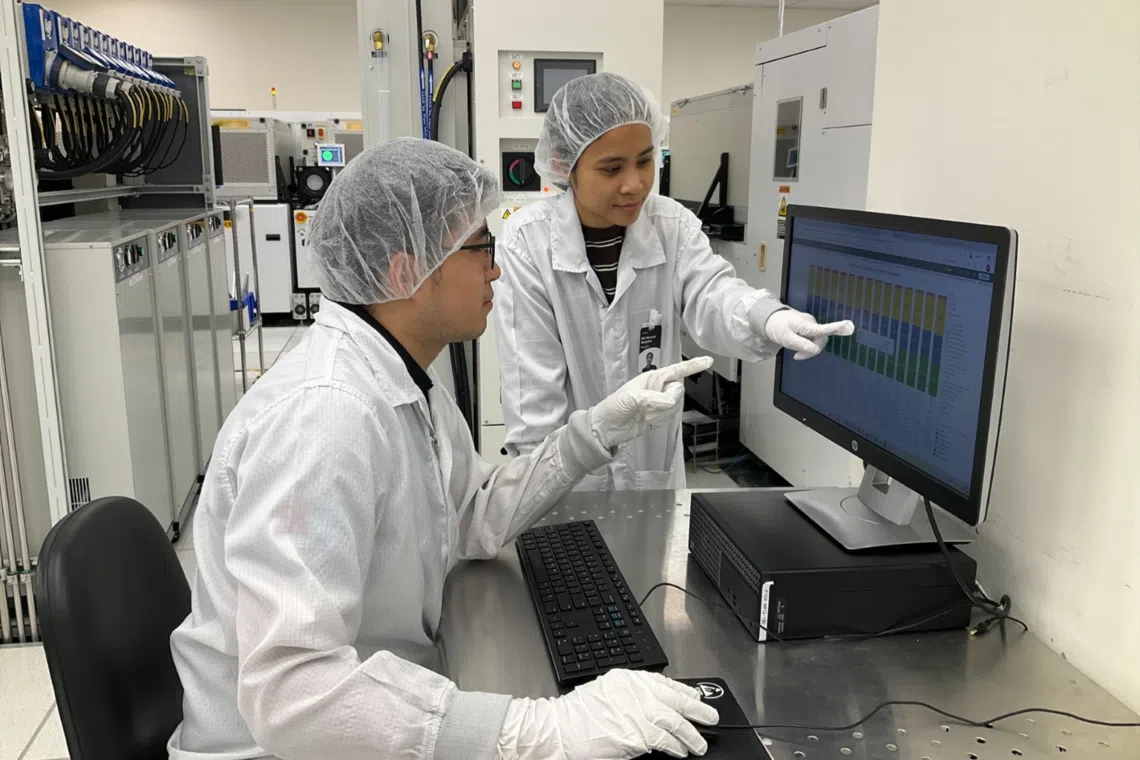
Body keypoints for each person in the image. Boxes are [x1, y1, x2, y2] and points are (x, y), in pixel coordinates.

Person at [167, 137, 719, 760]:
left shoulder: (401, 378)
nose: (496, 269)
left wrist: (594, 432)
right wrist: (535, 732)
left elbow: (472, 514)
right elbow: (293, 693)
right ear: (406, 271)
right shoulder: (323, 417)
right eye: (481, 248)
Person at [494, 73, 856, 490]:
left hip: (654, 477)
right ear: (564, 166)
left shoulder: (671, 225)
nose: (635, 184)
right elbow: (533, 397)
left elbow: (713, 293)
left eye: (645, 161)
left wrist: (767, 316)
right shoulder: (528, 243)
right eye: (612, 168)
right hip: (566, 486)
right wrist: (546, 492)